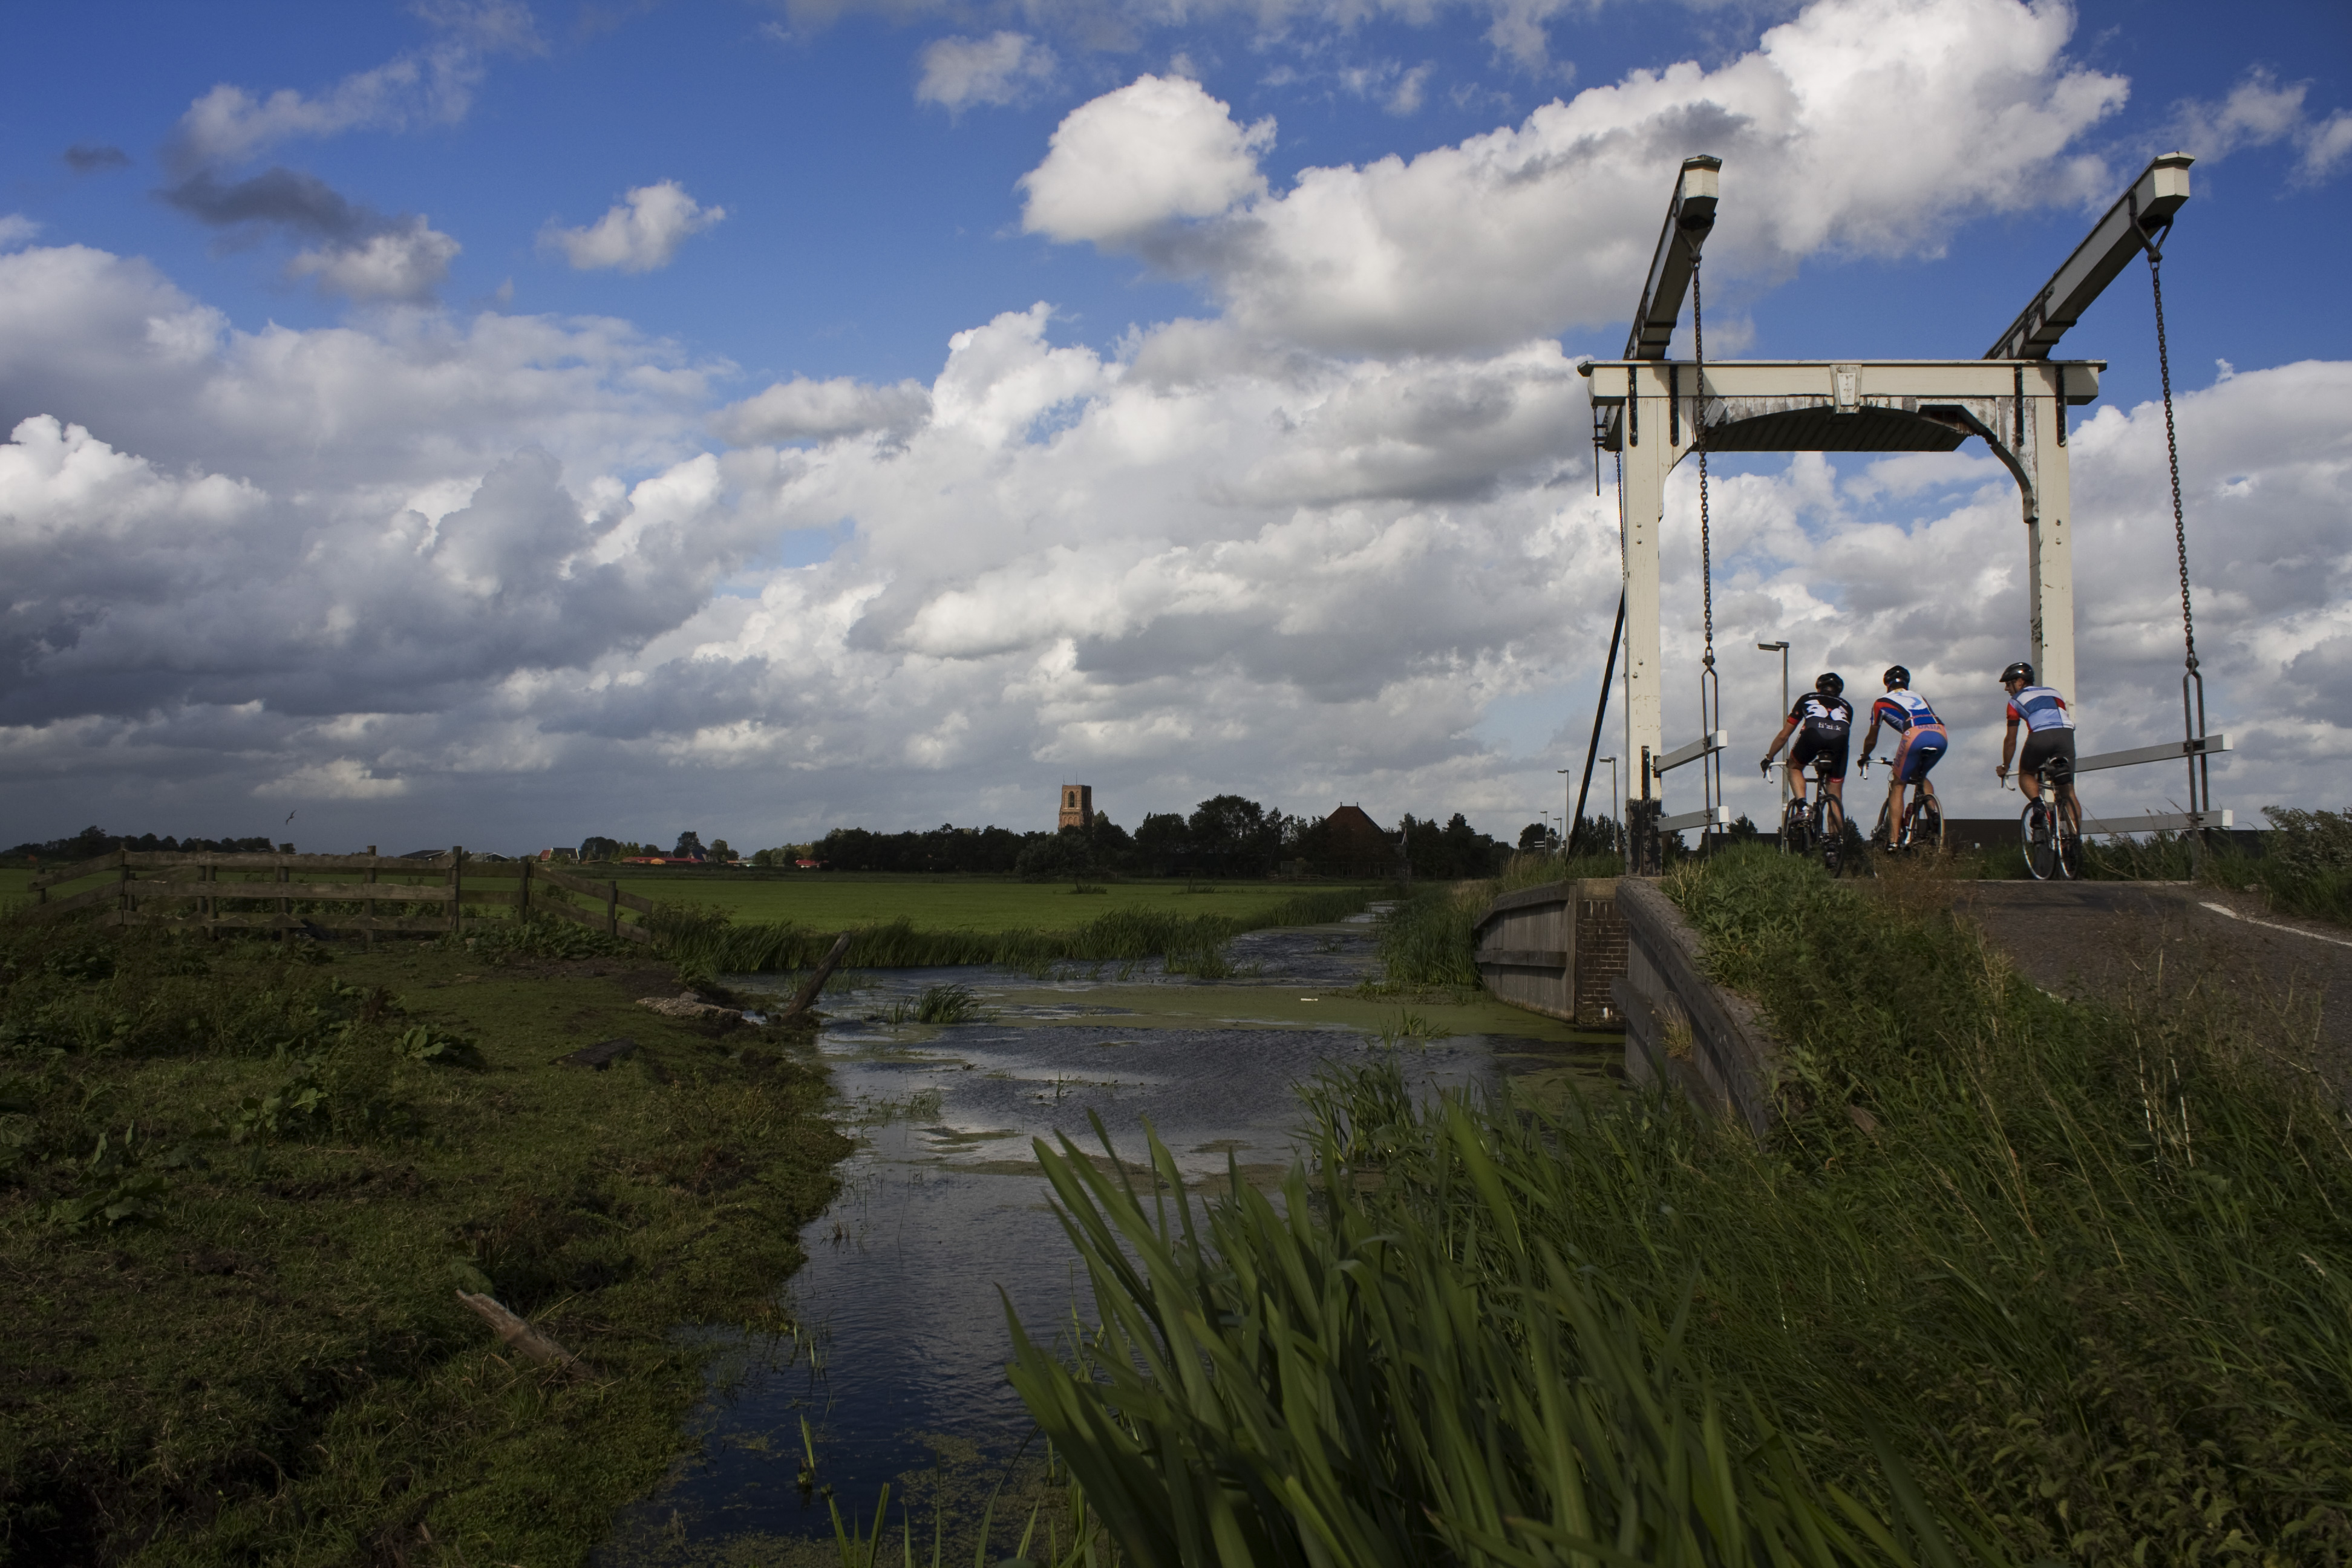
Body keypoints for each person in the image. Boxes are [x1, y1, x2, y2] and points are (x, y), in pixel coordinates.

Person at [1857, 665, 1949, 844]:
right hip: (1940, 733)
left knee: (1898, 783)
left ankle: (1893, 841)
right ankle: (1933, 813)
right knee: (1920, 776)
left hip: (1915, 734)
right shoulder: (1919, 696)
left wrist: (1865, 756)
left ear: (1887, 684)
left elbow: (1872, 738)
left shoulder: (1881, 703)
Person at [1994, 661, 2080, 831]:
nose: (2006, 689)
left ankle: (2038, 805)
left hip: (2040, 736)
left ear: (2020, 681)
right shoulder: (2054, 692)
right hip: (2066, 735)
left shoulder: (2014, 701)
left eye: (2009, 684)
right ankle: (2073, 840)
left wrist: (2005, 766)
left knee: (2026, 774)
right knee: (2068, 791)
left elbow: (2011, 740)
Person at [1760, 673, 1854, 826]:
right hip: (1840, 741)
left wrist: (1769, 757)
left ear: (1819, 688)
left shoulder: (1807, 698)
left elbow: (1784, 735)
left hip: (1813, 734)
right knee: (1835, 795)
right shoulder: (1847, 706)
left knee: (1794, 766)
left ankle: (1803, 808)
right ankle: (1839, 837)